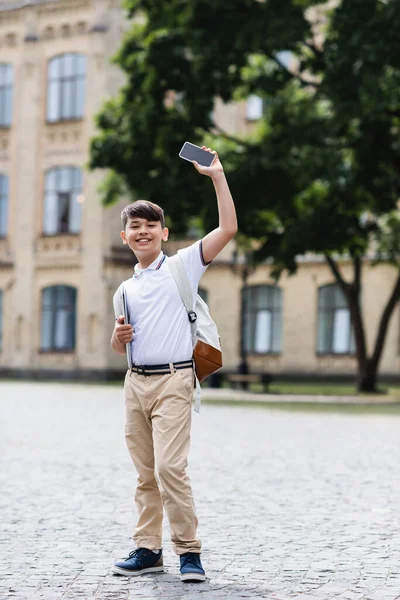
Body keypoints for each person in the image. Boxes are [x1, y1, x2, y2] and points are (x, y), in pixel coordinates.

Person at [111, 147, 237, 582]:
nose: (142, 231)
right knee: (145, 473)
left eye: (150, 225)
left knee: (169, 468)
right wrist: (117, 338)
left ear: (164, 234)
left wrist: (217, 177)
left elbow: (228, 228)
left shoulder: (183, 266)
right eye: (134, 226)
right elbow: (119, 343)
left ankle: (188, 551)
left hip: (174, 380)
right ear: (125, 237)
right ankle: (148, 550)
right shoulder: (124, 289)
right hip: (135, 384)